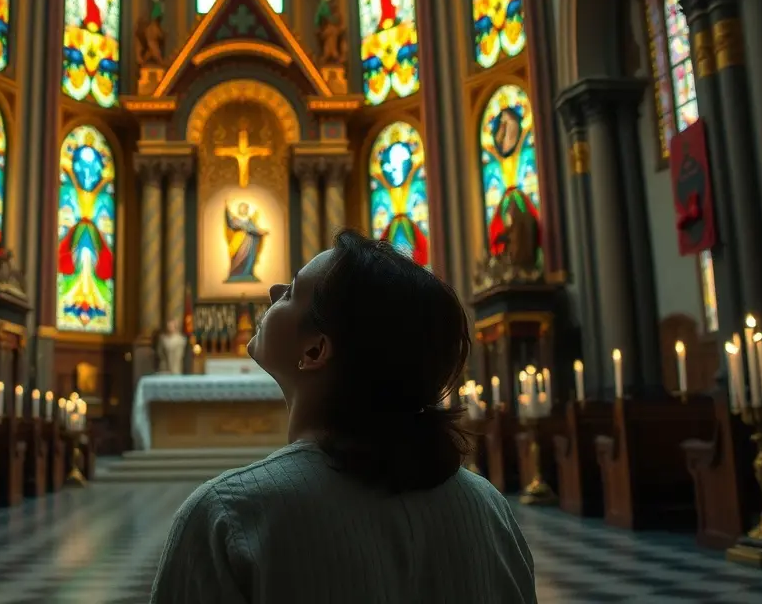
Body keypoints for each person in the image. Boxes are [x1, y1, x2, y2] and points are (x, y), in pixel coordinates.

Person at [150, 229, 536, 603]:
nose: (272, 292)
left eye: (291, 293)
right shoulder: (488, 508)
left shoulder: (227, 517)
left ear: (316, 351)